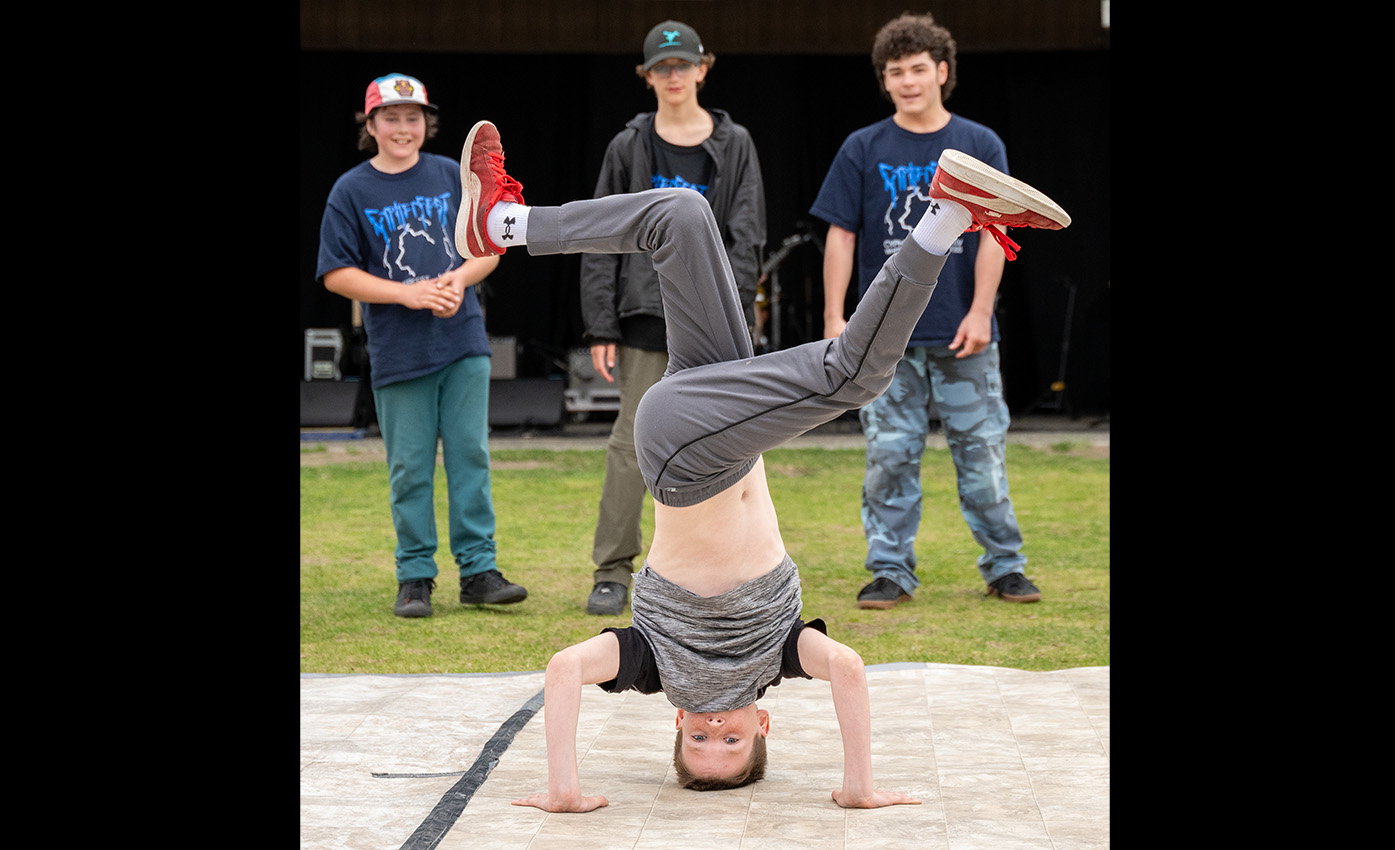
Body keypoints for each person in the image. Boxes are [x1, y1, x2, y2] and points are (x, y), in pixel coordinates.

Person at [454, 120, 1067, 809]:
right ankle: (502, 223)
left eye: (699, 742)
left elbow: (565, 670)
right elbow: (850, 670)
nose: (716, 730)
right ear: (763, 723)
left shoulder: (652, 666)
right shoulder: (781, 656)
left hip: (684, 457)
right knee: (679, 214)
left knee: (852, 376)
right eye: (733, 743)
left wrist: (565, 791)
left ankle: (948, 212)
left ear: (678, 722)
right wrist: (857, 784)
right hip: (714, 425)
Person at [809, 13, 1042, 610]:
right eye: (895, 72)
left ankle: (1006, 566)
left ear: (942, 71)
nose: (908, 81)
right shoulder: (862, 147)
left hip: (962, 332)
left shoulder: (979, 144)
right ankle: (889, 570)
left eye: (918, 69)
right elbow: (841, 235)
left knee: (983, 454)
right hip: (885, 337)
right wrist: (837, 317)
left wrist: (982, 310)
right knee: (890, 455)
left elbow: (996, 234)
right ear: (884, 81)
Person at [315, 73, 529, 618]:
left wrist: (459, 280)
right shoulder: (351, 190)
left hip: (462, 342)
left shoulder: (449, 174)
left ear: (426, 122)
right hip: (399, 352)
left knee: (471, 458)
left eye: (413, 117)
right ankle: (415, 576)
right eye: (391, 117)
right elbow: (337, 273)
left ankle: (479, 571)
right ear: (371, 125)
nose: (403, 127)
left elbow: (490, 244)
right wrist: (407, 294)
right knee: (409, 467)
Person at [578, 20, 767, 617]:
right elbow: (597, 235)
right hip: (642, 316)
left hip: (711, 322)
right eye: (663, 68)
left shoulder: (735, 144)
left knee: (732, 448)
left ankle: (737, 572)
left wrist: (729, 312)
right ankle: (612, 570)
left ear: (702, 69)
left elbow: (747, 235)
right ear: (648, 77)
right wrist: (601, 323)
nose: (674, 75)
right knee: (630, 446)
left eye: (683, 65)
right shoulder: (627, 147)